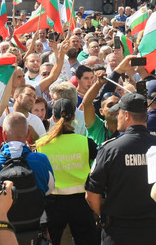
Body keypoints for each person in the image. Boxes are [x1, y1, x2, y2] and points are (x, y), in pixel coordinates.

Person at [85, 92, 156, 245]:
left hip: (118, 232)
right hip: (155, 231)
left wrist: (105, 216)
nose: (116, 116)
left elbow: (91, 195)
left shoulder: (109, 149)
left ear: (126, 115)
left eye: (118, 113)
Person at [36, 98, 99, 245]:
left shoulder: (41, 144)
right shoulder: (85, 142)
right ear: (74, 117)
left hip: (53, 205)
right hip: (81, 204)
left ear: (54, 118)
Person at [0, 112, 55, 241]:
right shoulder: (41, 160)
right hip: (35, 229)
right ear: (28, 134)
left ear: (4, 135)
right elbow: (49, 189)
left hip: (0, 230)